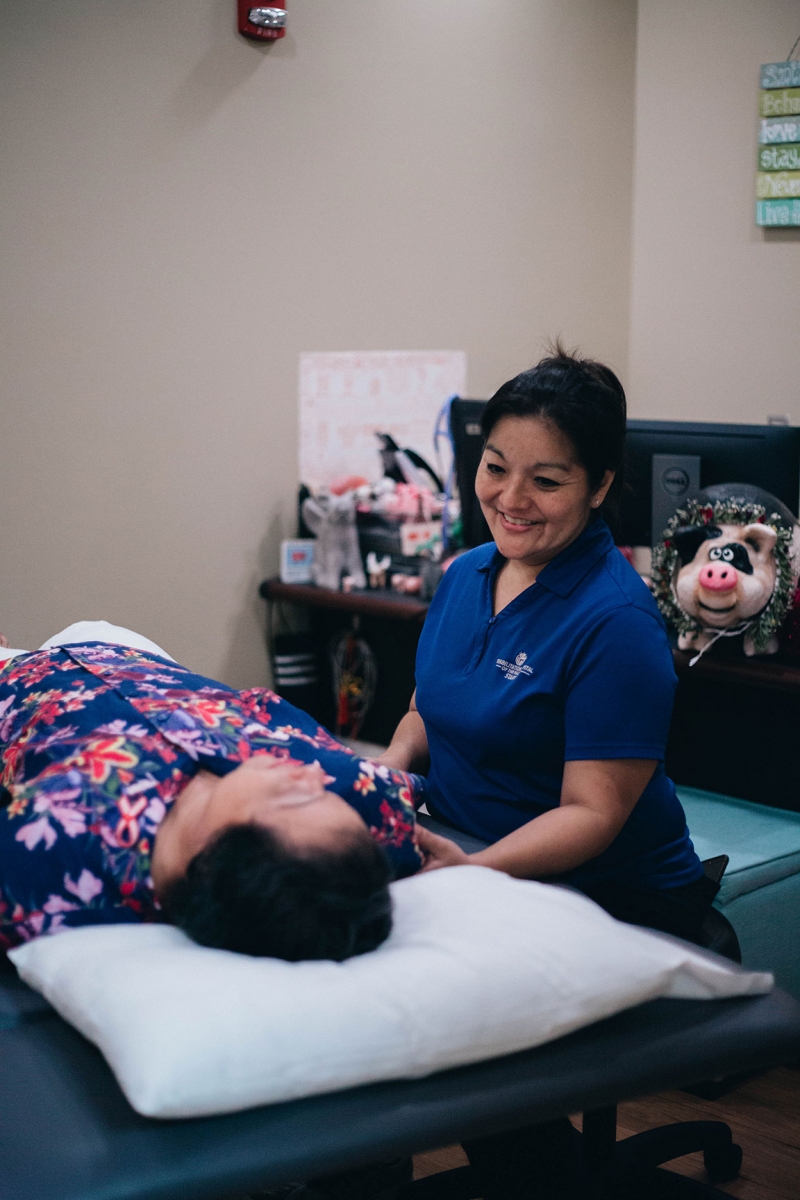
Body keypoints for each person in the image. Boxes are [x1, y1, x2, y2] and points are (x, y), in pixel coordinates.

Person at [374, 345, 719, 1200]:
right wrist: (383, 775)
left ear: (601, 486)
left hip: (608, 888)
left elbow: (593, 814)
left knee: (433, 1004)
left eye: (548, 481)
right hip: (470, 849)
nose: (510, 499)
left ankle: (544, 1179)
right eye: (496, 468)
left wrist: (471, 874)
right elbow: (427, 708)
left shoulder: (616, 621)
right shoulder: (464, 576)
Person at [0, 623, 423, 960]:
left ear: (221, 849)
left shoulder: (60, 847)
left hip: (16, 683)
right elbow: (391, 805)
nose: (312, 777)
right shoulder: (340, 827)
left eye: (299, 796)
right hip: (123, 653)